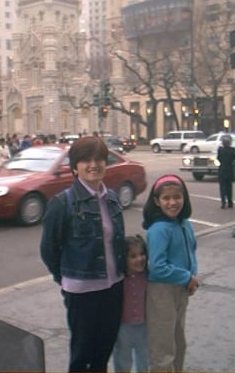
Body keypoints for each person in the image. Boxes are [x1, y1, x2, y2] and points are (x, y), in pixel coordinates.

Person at [40, 136, 126, 373]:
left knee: (104, 350)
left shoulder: (113, 198)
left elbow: (117, 242)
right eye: (86, 160)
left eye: (99, 159)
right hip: (82, 291)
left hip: (114, 287)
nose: (93, 164)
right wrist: (65, 278)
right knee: (82, 354)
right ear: (75, 166)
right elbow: (49, 249)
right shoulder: (62, 203)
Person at [142, 174, 198, 373]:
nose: (173, 202)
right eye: (166, 198)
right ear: (157, 201)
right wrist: (187, 277)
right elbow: (157, 266)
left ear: (184, 198)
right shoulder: (158, 229)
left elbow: (191, 251)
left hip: (181, 289)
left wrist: (192, 276)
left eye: (177, 197)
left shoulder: (185, 224)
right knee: (163, 347)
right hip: (161, 293)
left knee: (178, 341)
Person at [113, 235, 148, 373]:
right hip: (123, 327)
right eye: (133, 256)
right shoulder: (118, 278)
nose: (139, 259)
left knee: (144, 359)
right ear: (123, 258)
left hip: (144, 325)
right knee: (122, 361)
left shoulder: (148, 275)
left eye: (142, 254)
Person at [217, 135, 235, 209]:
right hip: (230, 169)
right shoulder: (232, 150)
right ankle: (230, 202)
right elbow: (234, 158)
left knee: (222, 188)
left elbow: (218, 158)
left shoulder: (220, 150)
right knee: (229, 187)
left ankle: (223, 203)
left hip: (222, 169)